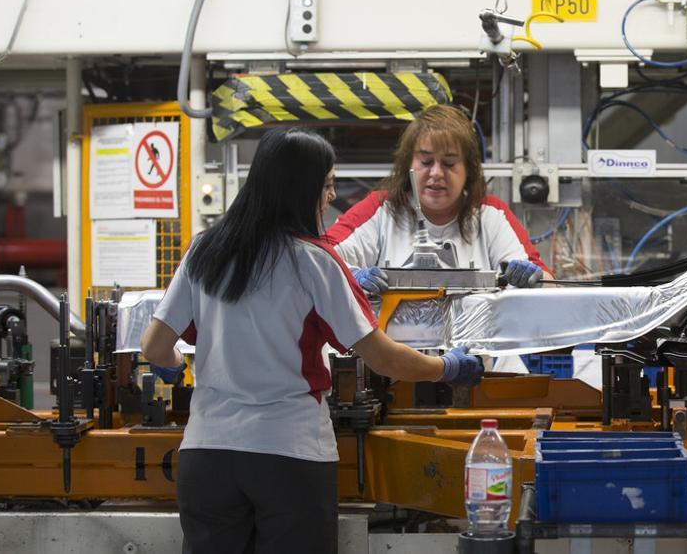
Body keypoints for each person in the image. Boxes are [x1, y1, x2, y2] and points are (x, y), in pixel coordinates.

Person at [140, 127, 483, 554]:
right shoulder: (314, 262)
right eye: (325, 185)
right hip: (289, 456)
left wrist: (173, 365)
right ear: (299, 189)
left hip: (207, 456)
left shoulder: (204, 250)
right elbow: (384, 360)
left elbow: (153, 347)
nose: (329, 196)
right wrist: (448, 366)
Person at [327, 105, 549, 295]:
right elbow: (318, 259)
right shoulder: (381, 209)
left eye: (449, 163)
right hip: (390, 345)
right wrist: (350, 276)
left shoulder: (491, 215)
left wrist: (532, 280)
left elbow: (548, 283)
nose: (436, 173)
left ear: (469, 170)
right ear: (408, 165)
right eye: (425, 161)